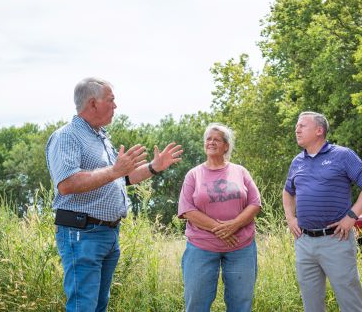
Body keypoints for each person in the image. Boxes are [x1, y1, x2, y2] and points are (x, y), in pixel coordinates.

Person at [45, 77, 183, 312]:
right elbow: (66, 184)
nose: (116, 106)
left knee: (99, 305)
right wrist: (115, 170)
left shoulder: (100, 137)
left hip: (107, 233)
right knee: (83, 306)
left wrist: (153, 167)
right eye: (111, 100)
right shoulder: (67, 136)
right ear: (93, 104)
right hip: (82, 233)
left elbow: (120, 178)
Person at [282, 111, 362, 312]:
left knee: (350, 303)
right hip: (304, 242)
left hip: (336, 240)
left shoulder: (342, 155)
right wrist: (290, 218)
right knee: (312, 305)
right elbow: (287, 192)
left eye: (302, 125)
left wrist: (351, 217)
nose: (297, 129)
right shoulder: (297, 162)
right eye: (296, 126)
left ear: (319, 130)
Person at [178, 123, 261, 312]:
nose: (211, 142)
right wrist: (222, 229)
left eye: (216, 139)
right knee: (196, 302)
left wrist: (235, 225)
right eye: (208, 139)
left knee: (241, 303)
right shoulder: (193, 175)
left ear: (226, 146)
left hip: (241, 247)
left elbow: (255, 203)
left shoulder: (240, 171)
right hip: (201, 246)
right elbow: (187, 210)